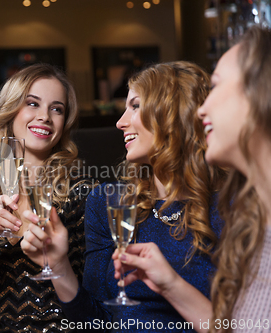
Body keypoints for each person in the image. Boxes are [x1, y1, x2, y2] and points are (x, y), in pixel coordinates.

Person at [21, 61, 227, 332]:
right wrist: (59, 266)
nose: (120, 122)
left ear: (173, 113)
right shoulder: (108, 202)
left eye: (136, 106)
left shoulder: (232, 208)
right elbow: (96, 324)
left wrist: (171, 286)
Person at [108, 26, 271, 333]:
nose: (202, 109)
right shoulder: (257, 216)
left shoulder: (238, 211)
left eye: (217, 88)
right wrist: (170, 285)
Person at [0, 63, 95, 332]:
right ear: (10, 111)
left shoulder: (82, 191)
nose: (45, 116)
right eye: (32, 104)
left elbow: (91, 294)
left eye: (57, 109)